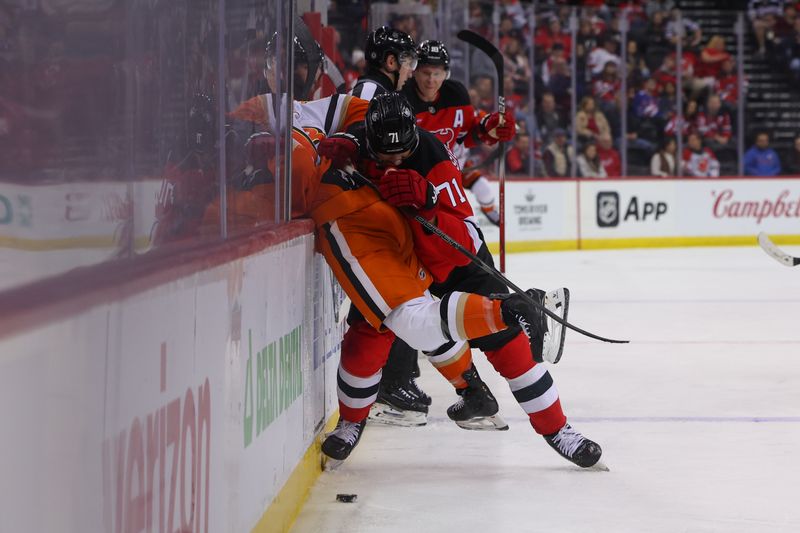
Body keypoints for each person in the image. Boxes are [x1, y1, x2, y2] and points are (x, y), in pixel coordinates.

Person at [318, 93, 602, 468]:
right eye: (385, 156)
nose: (395, 161)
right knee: (366, 337)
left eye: (402, 154)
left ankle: (559, 430)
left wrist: (430, 206)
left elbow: (466, 240)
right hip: (396, 254)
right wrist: (343, 148)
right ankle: (351, 424)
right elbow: (341, 131)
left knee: (509, 344)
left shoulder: (433, 158)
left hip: (452, 261)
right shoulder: (362, 139)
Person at [401, 39, 514, 226]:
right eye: (426, 73)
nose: (431, 80)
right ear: (414, 71)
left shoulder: (456, 94)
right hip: (419, 175)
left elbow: (470, 134)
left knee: (482, 192)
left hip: (453, 166)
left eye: (437, 73)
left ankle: (489, 211)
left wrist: (491, 127)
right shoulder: (403, 98)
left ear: (446, 74)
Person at [350, 25, 417, 99]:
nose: (410, 75)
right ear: (391, 62)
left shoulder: (369, 92)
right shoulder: (369, 96)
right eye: (408, 64)